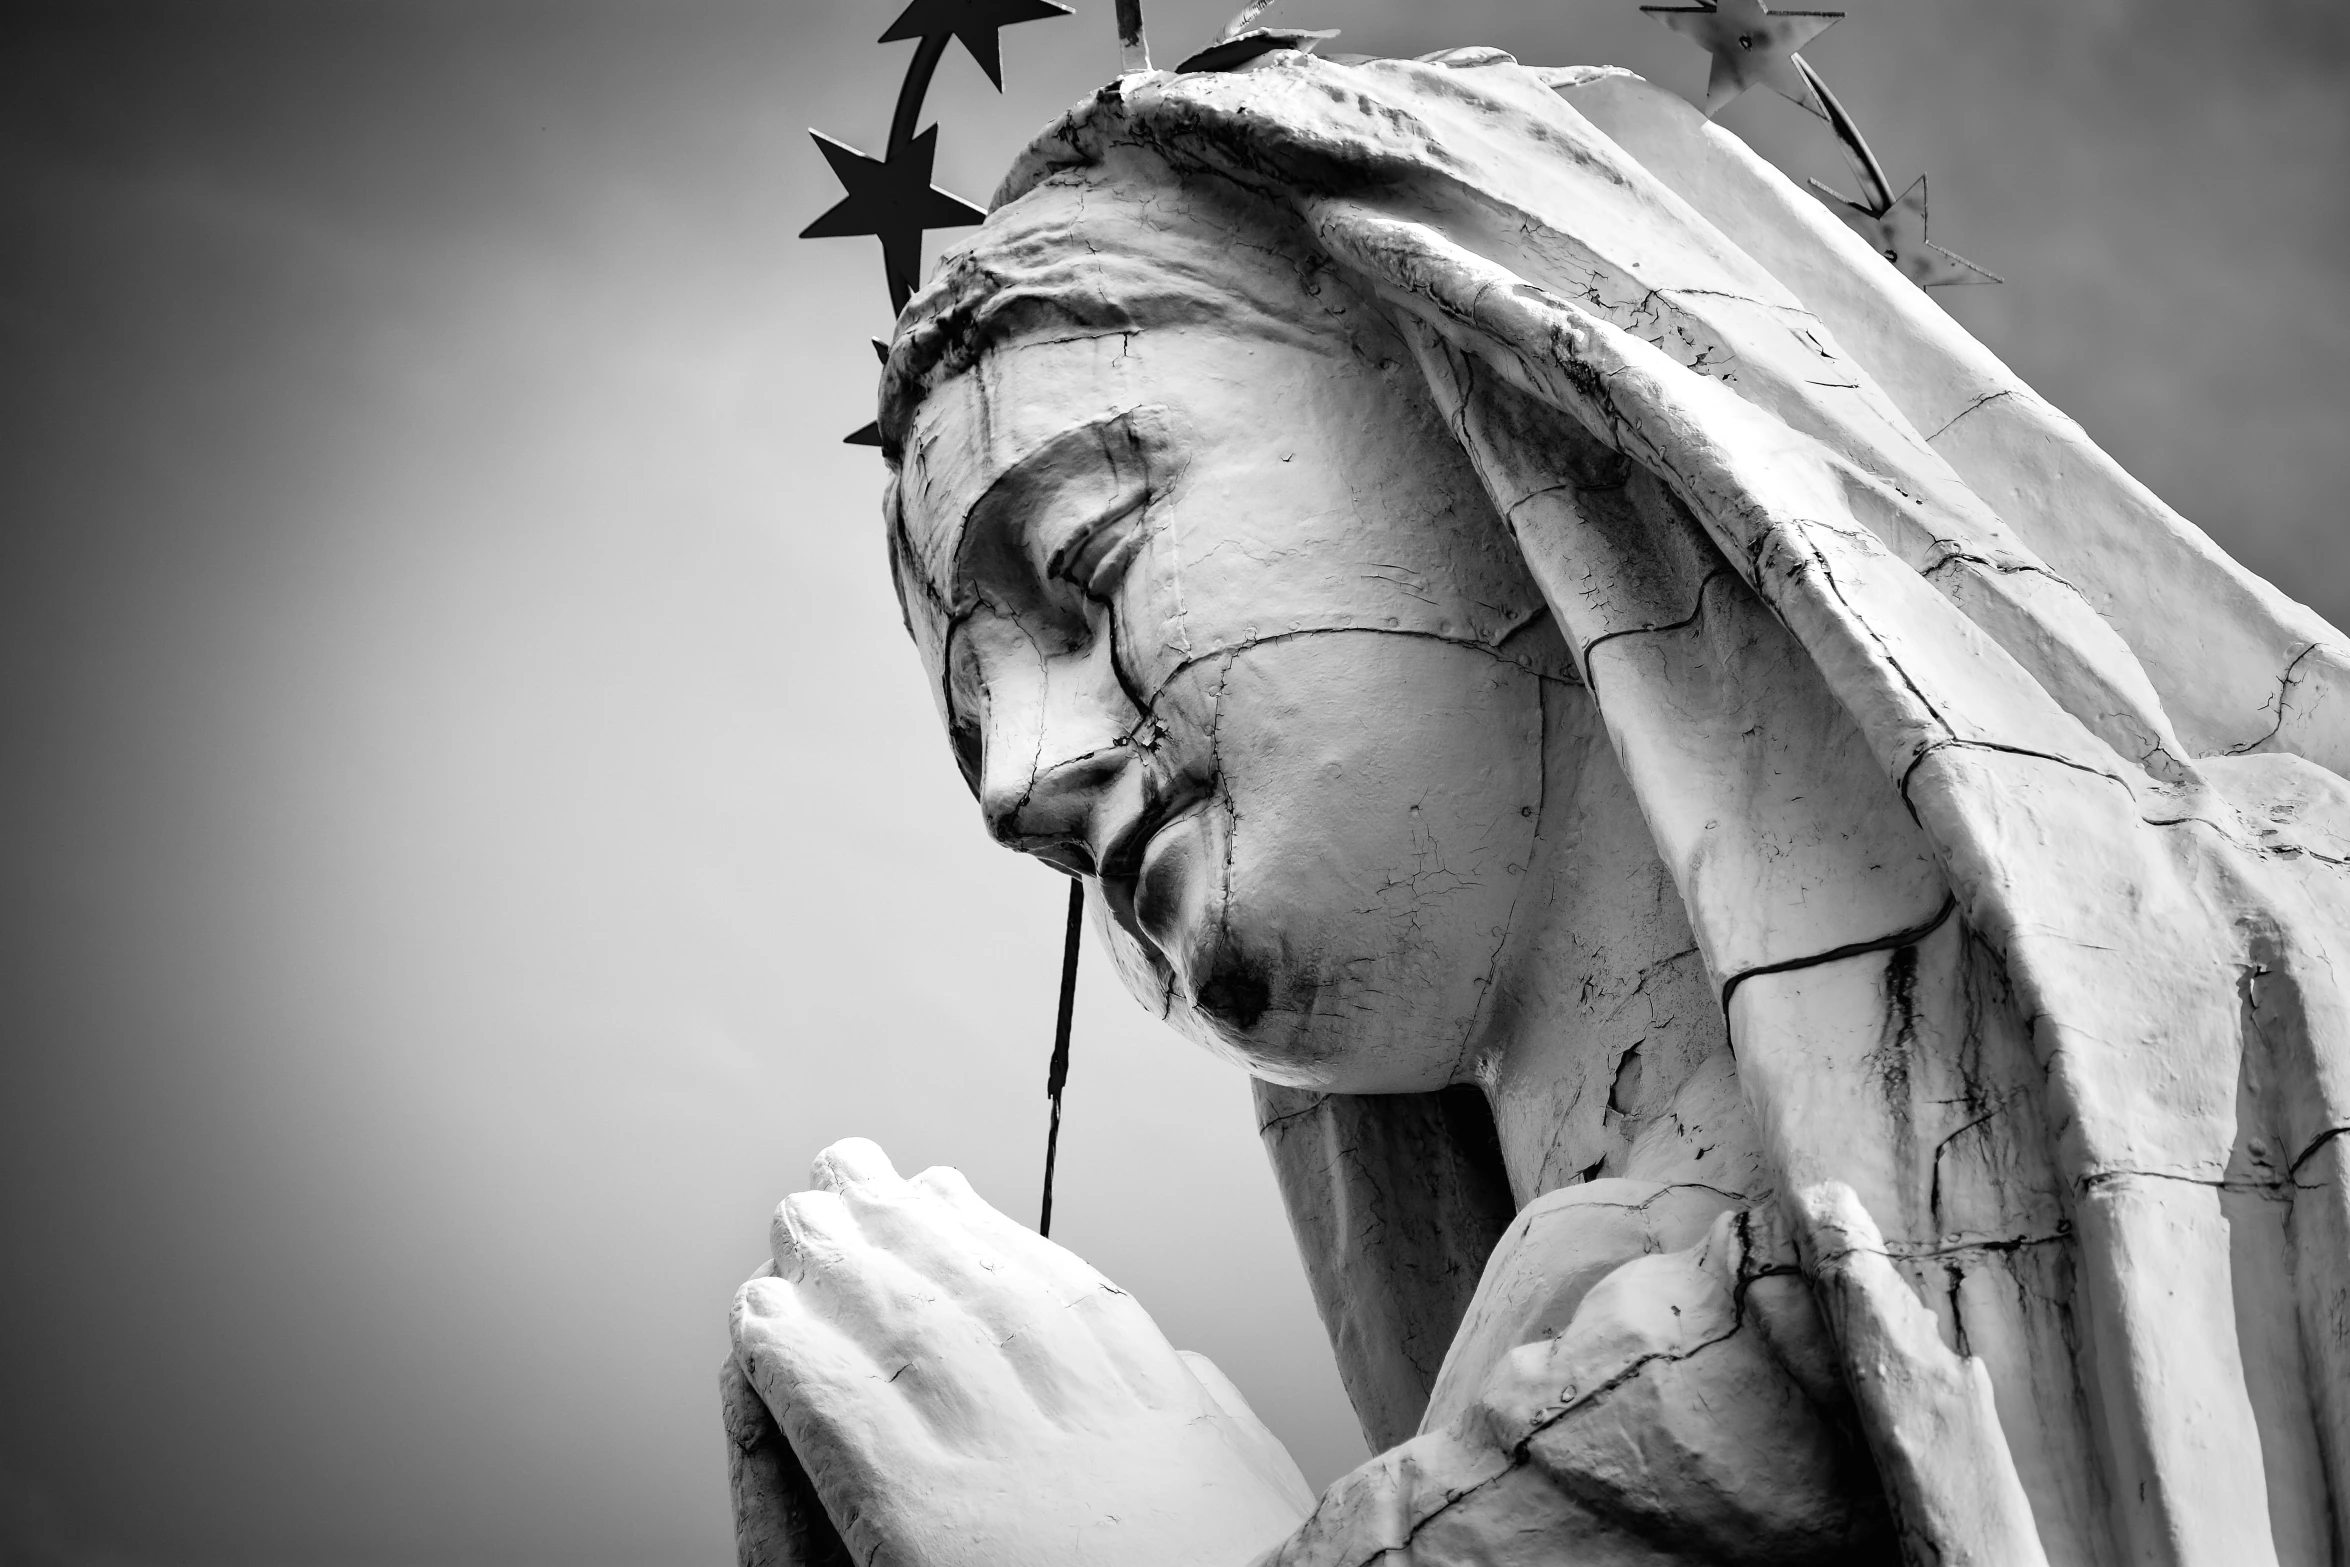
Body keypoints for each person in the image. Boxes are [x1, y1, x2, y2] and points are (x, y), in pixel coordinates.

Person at [728, 44, 2350, 1567]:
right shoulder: (1530, 1346)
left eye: (1086, 561)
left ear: (1474, 398)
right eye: (971, 723)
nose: (1019, 782)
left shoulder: (2283, 968)